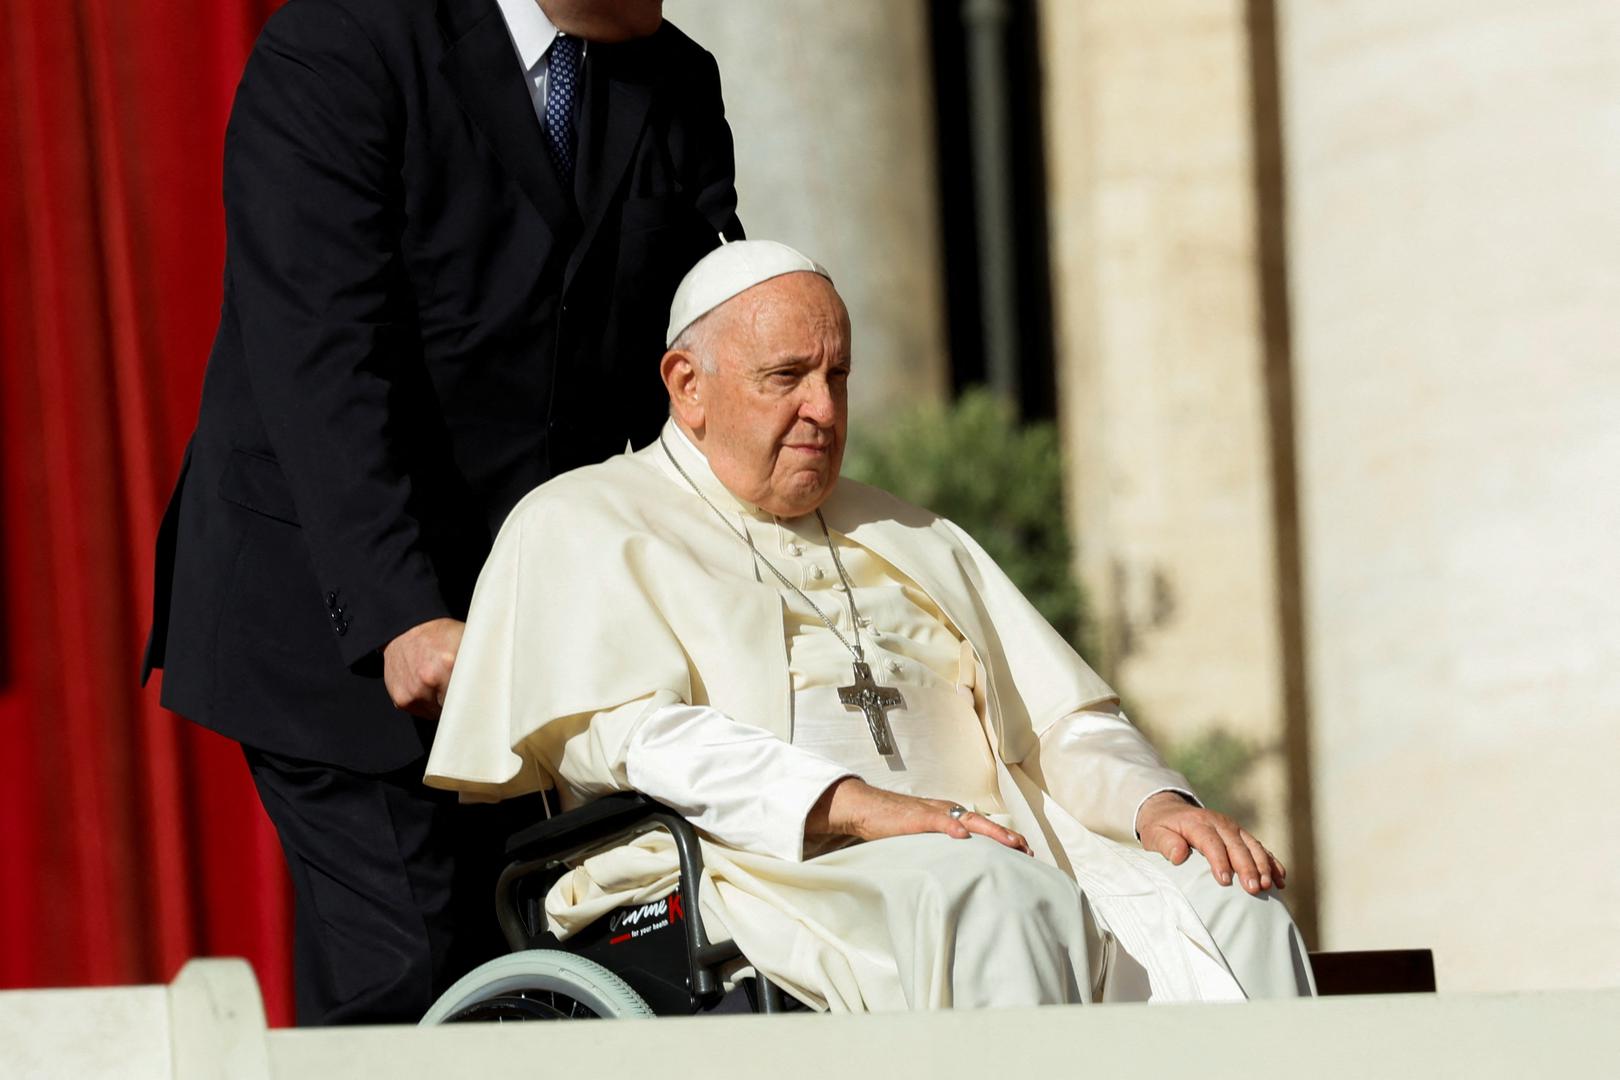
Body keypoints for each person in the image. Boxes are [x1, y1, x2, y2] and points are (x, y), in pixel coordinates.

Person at [423, 241, 1316, 1010]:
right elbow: (638, 740)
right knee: (988, 895)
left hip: (996, 846)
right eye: (786, 378)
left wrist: (1155, 803)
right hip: (758, 869)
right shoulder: (585, 521)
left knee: (1231, 897)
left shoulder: (910, 532)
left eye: (837, 374)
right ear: (687, 385)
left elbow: (1060, 720)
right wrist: (866, 813)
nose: (823, 407)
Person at [141, 0, 741, 1025]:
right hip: (343, 614)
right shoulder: (341, 45)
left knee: (560, 982)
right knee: (417, 981)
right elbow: (320, 359)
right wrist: (398, 612)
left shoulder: (673, 79)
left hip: (542, 635)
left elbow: (703, 347)